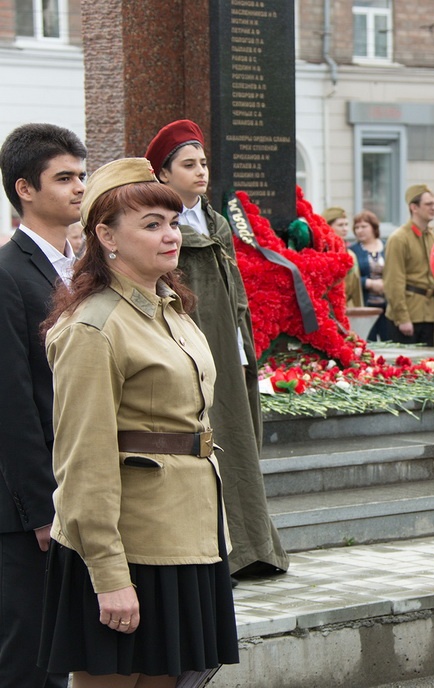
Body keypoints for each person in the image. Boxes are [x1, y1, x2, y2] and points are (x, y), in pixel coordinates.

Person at [37, 158, 239, 686]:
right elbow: (83, 461)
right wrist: (108, 575)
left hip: (188, 533)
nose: (170, 235)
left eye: (172, 222)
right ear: (106, 236)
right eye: (151, 224)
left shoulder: (169, 308)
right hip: (131, 544)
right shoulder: (93, 327)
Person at [145, 119, 288, 577]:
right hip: (187, 346)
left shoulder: (218, 223)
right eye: (188, 164)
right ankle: (219, 551)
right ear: (163, 174)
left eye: (203, 163)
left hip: (230, 346)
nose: (201, 172)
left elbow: (236, 292)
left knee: (239, 439)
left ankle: (252, 545)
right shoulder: (160, 229)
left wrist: (247, 348)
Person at [0, 122, 84, 688]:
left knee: (69, 650)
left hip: (85, 487)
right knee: (30, 659)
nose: (79, 187)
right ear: (25, 189)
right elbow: (12, 403)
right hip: (32, 504)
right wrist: (41, 511)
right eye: (64, 178)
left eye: (82, 175)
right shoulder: (8, 274)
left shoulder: (86, 268)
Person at [383, 184, 434, 345]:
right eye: (428, 204)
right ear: (414, 207)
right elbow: (393, 281)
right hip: (407, 314)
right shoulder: (399, 238)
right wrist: (402, 318)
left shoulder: (432, 237)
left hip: (429, 313)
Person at [350, 209, 390, 340]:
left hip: (387, 306)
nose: (359, 230)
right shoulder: (353, 251)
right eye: (357, 227)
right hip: (366, 305)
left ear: (373, 227)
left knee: (389, 342)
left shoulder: (387, 246)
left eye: (364, 226)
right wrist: (368, 283)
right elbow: (350, 278)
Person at [323, 206, 363, 308]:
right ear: (328, 227)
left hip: (346, 309)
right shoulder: (320, 255)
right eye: (340, 225)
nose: (345, 229)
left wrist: (359, 312)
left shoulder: (351, 255)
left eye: (346, 224)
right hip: (325, 310)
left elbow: (356, 291)